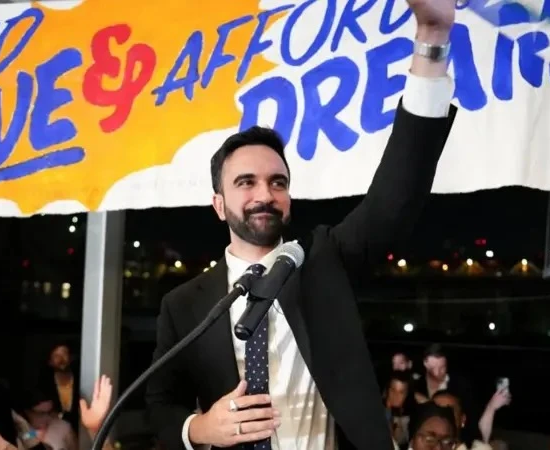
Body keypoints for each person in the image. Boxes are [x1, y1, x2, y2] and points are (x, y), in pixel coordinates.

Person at [144, 0, 459, 447]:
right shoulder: (183, 305)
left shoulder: (323, 261)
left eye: (278, 182)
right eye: (246, 182)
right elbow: (159, 406)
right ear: (218, 204)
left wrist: (432, 37)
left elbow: (395, 200)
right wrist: (198, 428)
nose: (265, 195)